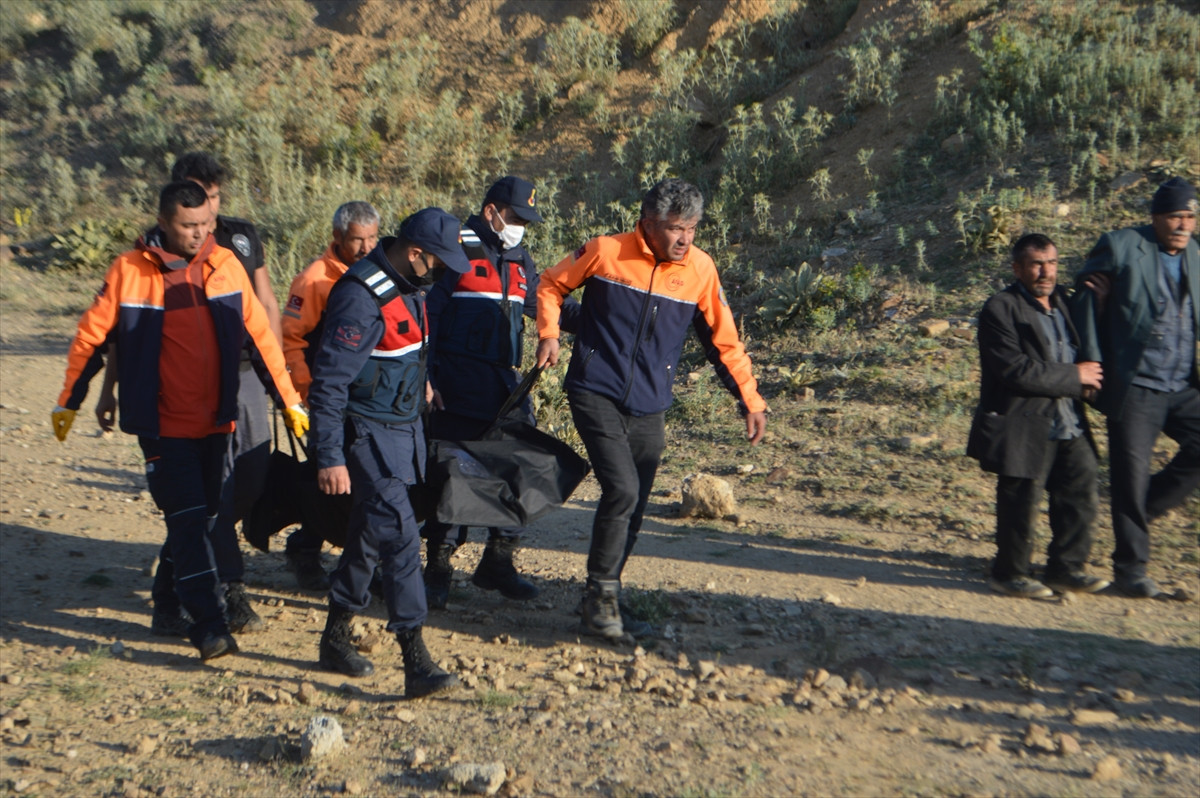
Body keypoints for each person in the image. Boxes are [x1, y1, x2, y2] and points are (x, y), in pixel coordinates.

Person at [52, 181, 307, 661]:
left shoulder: (226, 265)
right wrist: (72, 398)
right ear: (164, 223)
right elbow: (91, 336)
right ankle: (209, 626)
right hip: (162, 425)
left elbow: (263, 338)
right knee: (189, 520)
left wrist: (289, 401)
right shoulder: (128, 271)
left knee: (209, 516)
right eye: (189, 226)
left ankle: (167, 600)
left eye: (206, 225)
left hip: (216, 422)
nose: (200, 234)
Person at [535, 178, 768, 640]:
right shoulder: (606, 251)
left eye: (693, 228)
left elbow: (724, 340)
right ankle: (600, 599)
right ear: (648, 223)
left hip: (650, 402)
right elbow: (549, 284)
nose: (686, 239)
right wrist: (549, 332)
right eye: (676, 229)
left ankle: (602, 599)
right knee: (620, 489)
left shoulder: (700, 270)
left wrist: (749, 399)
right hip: (594, 389)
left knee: (635, 502)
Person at [95, 153, 279, 633]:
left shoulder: (239, 238)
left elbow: (265, 303)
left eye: (215, 197)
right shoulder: (148, 259)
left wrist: (280, 376)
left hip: (245, 375)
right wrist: (108, 390)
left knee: (249, 478)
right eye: (200, 197)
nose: (209, 210)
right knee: (201, 496)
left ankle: (177, 580)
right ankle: (228, 589)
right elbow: (125, 332)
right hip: (184, 389)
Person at [308, 207, 468, 697]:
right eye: (440, 263)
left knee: (369, 536)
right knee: (400, 538)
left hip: (401, 434)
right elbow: (329, 384)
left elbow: (399, 354)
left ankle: (335, 637)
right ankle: (415, 660)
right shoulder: (360, 297)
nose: (444, 273)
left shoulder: (410, 286)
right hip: (367, 437)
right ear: (416, 254)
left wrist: (424, 386)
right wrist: (329, 456)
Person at [422, 176, 580, 609]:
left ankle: (498, 560)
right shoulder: (455, 248)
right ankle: (437, 568)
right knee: (453, 475)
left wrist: (598, 318)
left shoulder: (519, 258)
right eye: (515, 218)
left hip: (503, 384)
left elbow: (541, 306)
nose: (520, 227)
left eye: (526, 220)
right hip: (453, 382)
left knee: (520, 466)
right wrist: (426, 377)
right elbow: (427, 317)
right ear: (491, 211)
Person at [1072, 176, 1199, 598]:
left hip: (1181, 384)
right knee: (1129, 476)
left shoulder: (1197, 255)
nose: (1183, 225)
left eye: (1189, 216)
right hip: (1137, 384)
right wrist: (1089, 358)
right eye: (1174, 216)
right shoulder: (1123, 245)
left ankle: (1142, 509)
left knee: (1145, 487)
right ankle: (1131, 570)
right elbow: (1084, 299)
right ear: (1156, 217)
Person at [967, 233, 1109, 598]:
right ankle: (1010, 573)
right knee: (1020, 502)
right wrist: (1074, 377)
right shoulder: (1001, 308)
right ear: (1017, 268)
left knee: (1081, 489)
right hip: (1023, 421)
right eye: (1036, 264)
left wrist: (1102, 305)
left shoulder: (1065, 301)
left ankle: (1067, 568)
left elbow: (1092, 337)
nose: (1046, 271)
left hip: (1068, 418)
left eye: (1052, 263)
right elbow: (1014, 369)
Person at [280, 200, 381, 590]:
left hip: (365, 400)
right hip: (327, 399)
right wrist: (305, 395)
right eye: (358, 239)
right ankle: (306, 550)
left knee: (358, 484)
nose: (367, 247)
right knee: (328, 479)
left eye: (373, 238)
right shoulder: (315, 279)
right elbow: (290, 339)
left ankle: (350, 557)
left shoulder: (374, 273)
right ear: (337, 237)